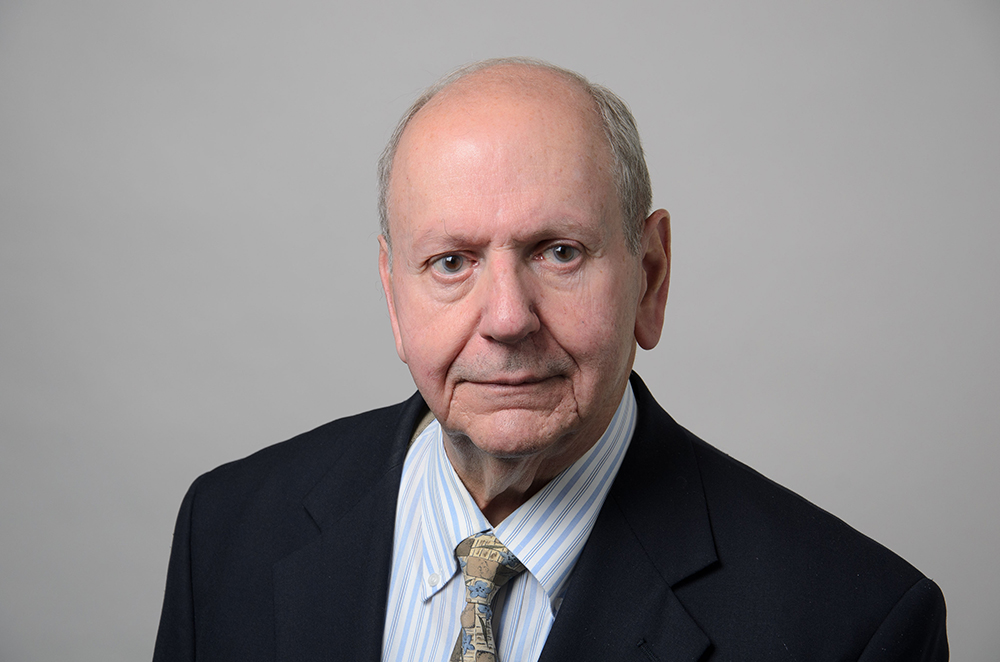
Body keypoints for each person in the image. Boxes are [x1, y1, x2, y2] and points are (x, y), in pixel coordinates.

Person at [152, 58, 948, 662]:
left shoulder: (851, 626)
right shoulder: (225, 535)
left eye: (559, 251)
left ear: (651, 277)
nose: (506, 319)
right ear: (394, 298)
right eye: (452, 263)